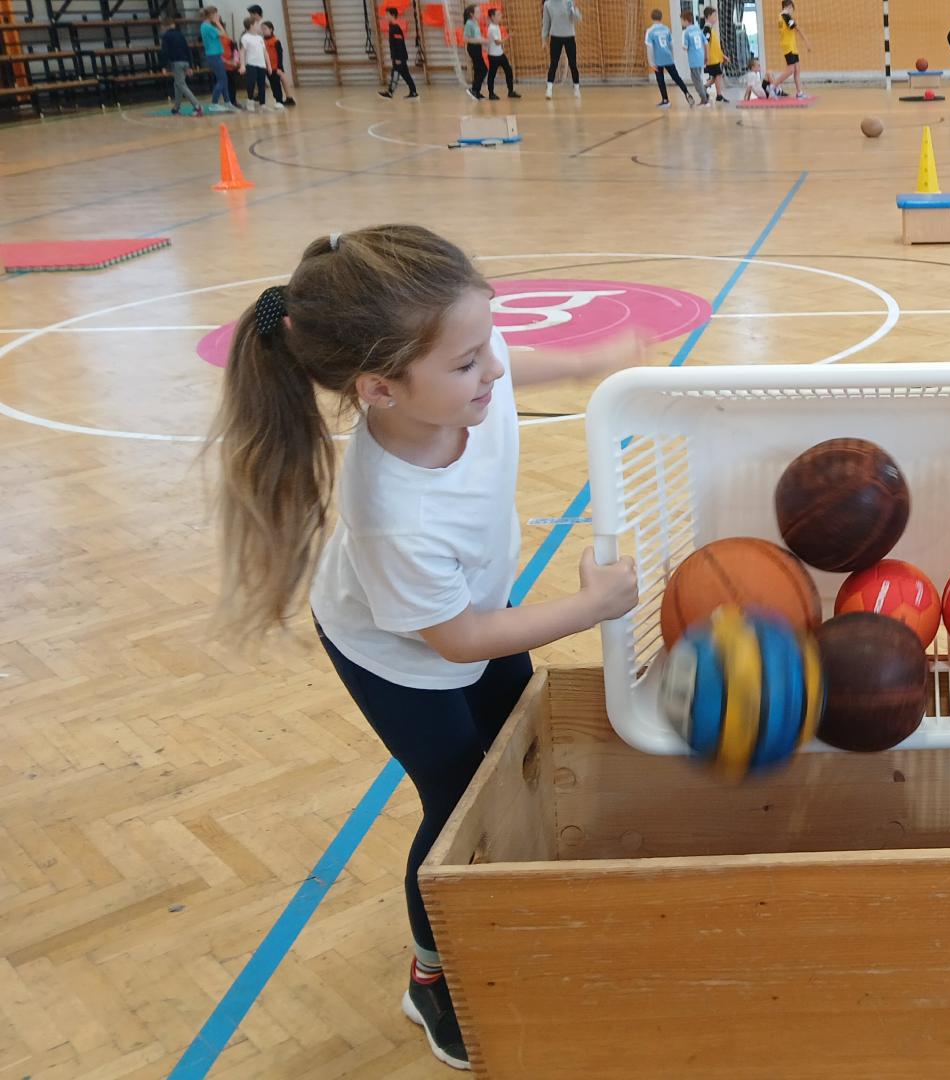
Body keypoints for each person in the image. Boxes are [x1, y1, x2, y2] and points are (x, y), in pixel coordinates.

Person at [210, 226, 641, 1070]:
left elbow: (504, 363)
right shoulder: (394, 514)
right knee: (453, 801)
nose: (495, 371)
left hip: (468, 608)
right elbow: (458, 644)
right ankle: (431, 975)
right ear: (379, 389)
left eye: (488, 344)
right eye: (471, 362)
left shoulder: (458, 381)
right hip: (403, 657)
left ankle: (502, 891)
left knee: (515, 747)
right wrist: (589, 607)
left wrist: (586, 361)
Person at [646, 8, 692, 106]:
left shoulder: (650, 31)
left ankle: (665, 100)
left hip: (658, 60)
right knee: (676, 77)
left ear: (652, 18)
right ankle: (686, 92)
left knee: (660, 80)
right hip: (668, 57)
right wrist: (672, 56)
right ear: (661, 18)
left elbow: (650, 48)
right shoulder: (666, 29)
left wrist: (651, 62)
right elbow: (671, 45)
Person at [767, 0, 811, 97]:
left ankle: (799, 93)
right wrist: (807, 42)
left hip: (792, 46)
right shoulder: (785, 16)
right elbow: (797, 28)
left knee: (797, 69)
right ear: (789, 6)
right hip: (788, 46)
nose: (792, 11)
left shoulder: (783, 16)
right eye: (792, 9)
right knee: (791, 69)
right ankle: (772, 86)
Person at [161, 19, 203, 116]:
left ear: (165, 26)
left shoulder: (166, 36)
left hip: (176, 63)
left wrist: (164, 66)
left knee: (181, 84)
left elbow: (165, 51)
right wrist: (190, 66)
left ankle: (197, 106)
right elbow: (187, 49)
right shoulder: (180, 35)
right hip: (185, 62)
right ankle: (176, 107)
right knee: (177, 85)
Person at [543, 0, 582, 97]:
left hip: (569, 36)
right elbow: (546, 23)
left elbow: (578, 18)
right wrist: (544, 39)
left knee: (573, 63)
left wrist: (573, 11)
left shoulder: (569, 2)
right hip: (555, 37)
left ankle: (576, 88)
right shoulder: (548, 4)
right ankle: (549, 89)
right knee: (553, 63)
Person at [378, 7, 419, 98]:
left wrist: (398, 58)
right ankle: (413, 92)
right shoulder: (392, 27)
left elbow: (400, 44)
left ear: (392, 15)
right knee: (406, 75)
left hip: (399, 57)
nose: (385, 16)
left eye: (387, 14)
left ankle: (390, 92)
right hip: (399, 57)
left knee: (395, 73)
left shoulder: (395, 28)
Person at [198, 8, 233, 110]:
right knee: (222, 80)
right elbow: (224, 34)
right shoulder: (208, 27)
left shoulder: (205, 26)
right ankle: (214, 103)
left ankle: (227, 102)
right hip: (213, 56)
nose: (218, 16)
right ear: (211, 15)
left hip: (215, 55)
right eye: (216, 14)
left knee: (223, 80)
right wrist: (217, 22)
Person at [487, 9, 519, 98]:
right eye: (498, 15)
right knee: (492, 74)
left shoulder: (496, 26)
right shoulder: (492, 28)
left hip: (500, 54)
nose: (500, 16)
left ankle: (510, 92)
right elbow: (497, 42)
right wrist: (508, 36)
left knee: (508, 70)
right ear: (492, 17)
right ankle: (491, 94)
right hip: (493, 56)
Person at [681, 8, 710, 104]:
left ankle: (704, 99)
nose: (681, 23)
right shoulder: (698, 29)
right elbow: (706, 43)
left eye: (682, 20)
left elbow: (685, 47)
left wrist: (684, 46)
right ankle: (705, 95)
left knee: (696, 80)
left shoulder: (686, 32)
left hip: (693, 59)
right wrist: (706, 56)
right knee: (698, 78)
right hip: (700, 57)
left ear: (685, 20)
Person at [239, 14, 268, 110]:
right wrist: (242, 65)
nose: (258, 26)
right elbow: (242, 52)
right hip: (251, 64)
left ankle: (262, 103)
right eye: (256, 24)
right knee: (251, 83)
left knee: (262, 84)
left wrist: (268, 65)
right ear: (251, 25)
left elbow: (264, 52)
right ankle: (250, 100)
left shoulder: (260, 38)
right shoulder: (245, 37)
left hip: (261, 65)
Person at [262, 20, 294, 105]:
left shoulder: (276, 41)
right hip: (267, 67)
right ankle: (279, 100)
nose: (263, 31)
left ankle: (280, 101)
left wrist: (279, 67)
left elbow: (280, 54)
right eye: (262, 29)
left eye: (265, 29)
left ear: (271, 29)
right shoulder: (262, 41)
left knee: (276, 84)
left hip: (275, 67)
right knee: (273, 85)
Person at [702, 7, 727, 102]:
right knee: (718, 75)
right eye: (714, 16)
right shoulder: (707, 29)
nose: (716, 18)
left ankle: (708, 89)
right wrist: (707, 56)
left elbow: (715, 46)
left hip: (716, 58)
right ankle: (717, 94)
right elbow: (706, 44)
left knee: (717, 76)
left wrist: (722, 56)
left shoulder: (711, 29)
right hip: (711, 59)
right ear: (708, 16)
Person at [463, 4, 487, 100]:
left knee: (478, 70)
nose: (480, 13)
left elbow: (477, 36)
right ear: (471, 14)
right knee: (483, 69)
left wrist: (484, 42)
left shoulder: (475, 22)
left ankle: (476, 91)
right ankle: (473, 89)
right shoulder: (469, 23)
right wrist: (479, 41)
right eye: (477, 12)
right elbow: (466, 39)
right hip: (473, 48)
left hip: (477, 47)